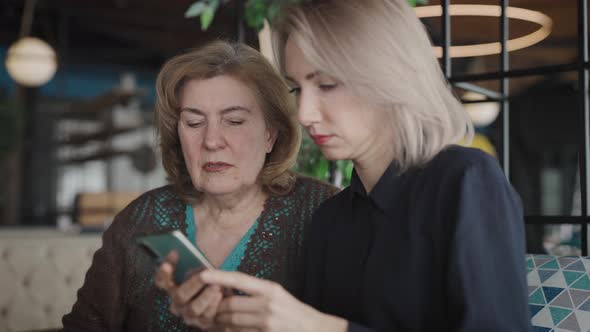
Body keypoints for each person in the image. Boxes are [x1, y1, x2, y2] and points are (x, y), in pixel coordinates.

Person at [195, 1, 530, 331]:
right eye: (297, 88)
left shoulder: (465, 182)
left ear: (390, 77)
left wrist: (325, 328)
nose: (304, 113)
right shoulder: (330, 220)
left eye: (326, 85)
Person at [61, 40, 337, 331]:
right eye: (194, 123)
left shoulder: (324, 213)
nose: (211, 141)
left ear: (271, 134)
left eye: (234, 121)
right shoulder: (139, 219)